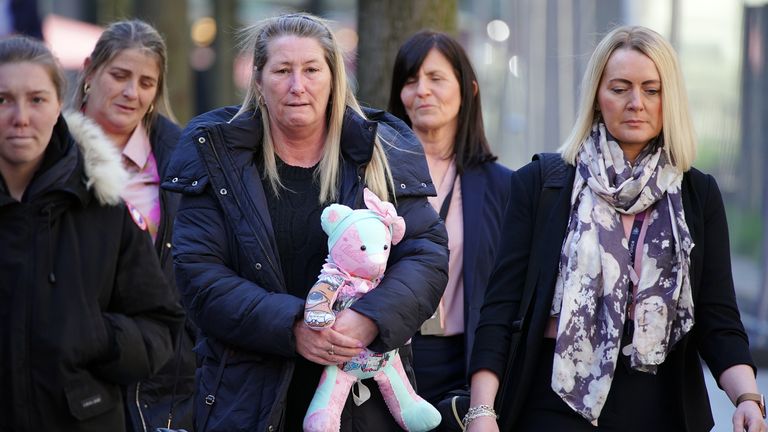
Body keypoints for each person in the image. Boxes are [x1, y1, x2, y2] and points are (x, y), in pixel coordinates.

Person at [466, 25, 767, 432]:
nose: (635, 103)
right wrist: (482, 411)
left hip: (659, 409)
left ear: (669, 99)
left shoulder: (697, 194)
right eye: (620, 88)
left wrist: (747, 397)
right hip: (553, 405)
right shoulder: (543, 185)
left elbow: (718, 317)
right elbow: (500, 308)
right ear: (597, 97)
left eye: (651, 90)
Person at [163, 12, 449, 432]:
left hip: (362, 395)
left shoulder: (383, 147)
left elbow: (426, 253)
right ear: (258, 81)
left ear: (333, 78)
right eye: (282, 70)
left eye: (312, 70)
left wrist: (370, 317)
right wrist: (292, 324)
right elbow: (198, 272)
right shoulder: (215, 153)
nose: (298, 85)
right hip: (245, 397)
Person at [0, 35, 184, 431]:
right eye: (3, 100)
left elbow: (160, 326)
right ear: (89, 76)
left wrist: (93, 333)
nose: (20, 116)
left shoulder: (105, 208)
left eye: (36, 99)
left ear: (56, 108)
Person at [71, 19, 196, 431]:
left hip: (165, 384)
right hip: (72, 372)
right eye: (119, 76)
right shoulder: (48, 153)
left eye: (146, 82)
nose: (131, 92)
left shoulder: (184, 160)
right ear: (90, 71)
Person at [387, 30, 512, 406]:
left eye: (436, 78)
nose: (422, 90)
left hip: (466, 365)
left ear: (469, 89)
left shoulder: (503, 187)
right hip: (385, 363)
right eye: (411, 81)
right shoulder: (373, 175)